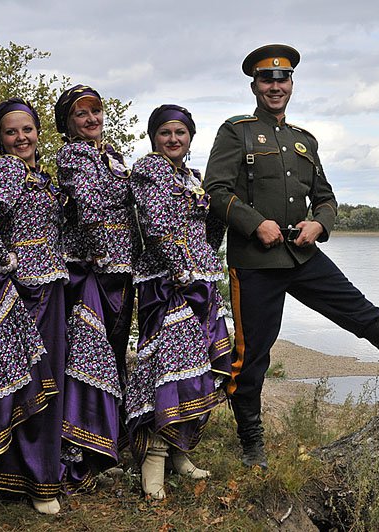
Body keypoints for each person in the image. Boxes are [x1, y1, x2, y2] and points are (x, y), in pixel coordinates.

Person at [204, 44, 379, 469]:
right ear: (254, 85)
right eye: (267, 79)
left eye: (283, 79)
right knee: (252, 355)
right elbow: (216, 191)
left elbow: (326, 198)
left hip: (303, 256)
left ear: (291, 84)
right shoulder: (235, 132)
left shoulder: (304, 141)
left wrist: (319, 225)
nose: (276, 86)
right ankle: (251, 442)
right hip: (256, 262)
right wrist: (256, 223)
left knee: (361, 312)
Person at [0, 98, 67, 514]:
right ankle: (39, 482)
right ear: (0, 139)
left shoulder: (39, 174)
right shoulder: (8, 169)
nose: (21, 138)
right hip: (26, 293)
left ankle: (23, 473)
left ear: (39, 132)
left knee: (34, 380)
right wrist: (7, 258)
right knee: (32, 379)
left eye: (27, 129)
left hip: (49, 287)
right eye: (10, 132)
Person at [128, 104, 231, 499]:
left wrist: (206, 259)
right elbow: (155, 227)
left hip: (199, 278)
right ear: (154, 137)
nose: (174, 139)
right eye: (165, 132)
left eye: (181, 132)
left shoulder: (193, 177)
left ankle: (179, 449)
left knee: (198, 366)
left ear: (191, 137)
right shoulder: (149, 170)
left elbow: (208, 225)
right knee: (170, 365)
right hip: (167, 282)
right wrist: (185, 269)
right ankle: (153, 456)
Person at [54, 85, 140, 489]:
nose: (91, 119)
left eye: (96, 111)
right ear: (68, 124)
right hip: (96, 272)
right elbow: (88, 210)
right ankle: (80, 455)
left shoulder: (113, 158)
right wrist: (103, 254)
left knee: (112, 355)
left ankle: (104, 446)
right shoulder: (75, 155)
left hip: (120, 269)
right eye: (81, 114)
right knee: (91, 360)